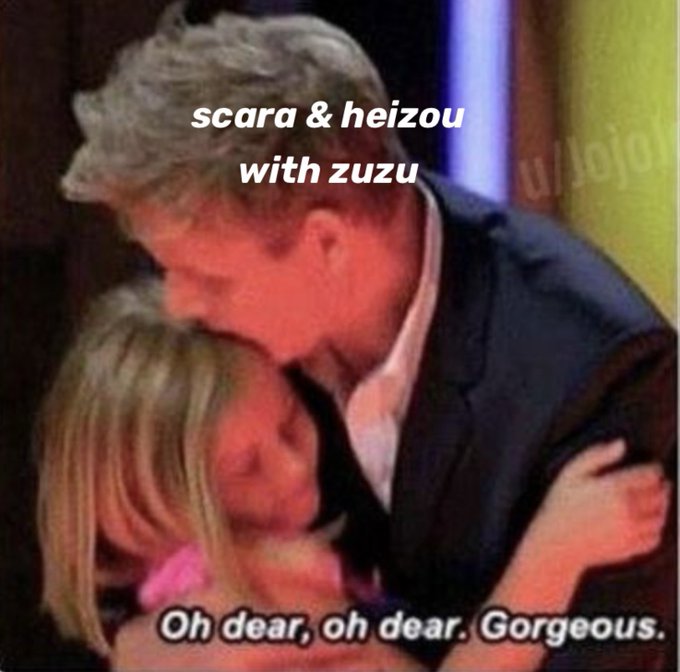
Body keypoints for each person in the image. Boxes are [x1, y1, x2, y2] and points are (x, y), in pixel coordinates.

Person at [61, 10, 677, 670]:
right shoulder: (223, 321)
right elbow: (127, 544)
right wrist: (159, 636)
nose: (177, 303)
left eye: (208, 279)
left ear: (326, 244)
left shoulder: (600, 373)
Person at [37, 282, 669, 672]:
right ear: (155, 504)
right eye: (247, 467)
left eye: (291, 421)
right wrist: (554, 555)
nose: (293, 468)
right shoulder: (240, 612)